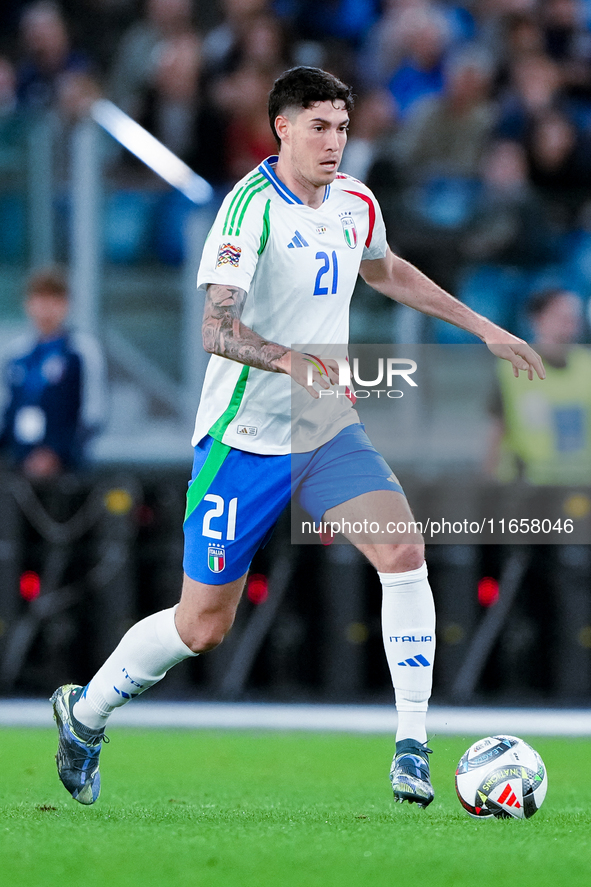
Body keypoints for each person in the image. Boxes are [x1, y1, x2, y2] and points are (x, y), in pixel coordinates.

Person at [50, 66, 544, 808]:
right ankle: (85, 714)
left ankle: (411, 747)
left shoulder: (355, 200)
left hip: (322, 426)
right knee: (202, 625)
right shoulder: (247, 210)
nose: (333, 142)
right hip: (241, 438)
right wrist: (291, 360)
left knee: (403, 548)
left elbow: (386, 270)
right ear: (281, 127)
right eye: (319, 126)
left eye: (341, 127)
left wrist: (484, 328)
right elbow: (215, 327)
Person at [0, 265, 106, 478]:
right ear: (28, 304)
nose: (46, 309)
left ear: (66, 305)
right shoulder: (15, 354)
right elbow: (5, 409)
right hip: (18, 465)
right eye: (39, 300)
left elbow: (94, 412)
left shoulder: (82, 351)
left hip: (66, 469)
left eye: (53, 300)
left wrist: (56, 453)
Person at [487, 286, 591, 484]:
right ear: (538, 320)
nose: (570, 327)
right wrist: (488, 485)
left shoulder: (587, 367)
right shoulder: (511, 370)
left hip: (580, 484)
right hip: (528, 487)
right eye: (562, 319)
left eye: (573, 320)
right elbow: (496, 430)